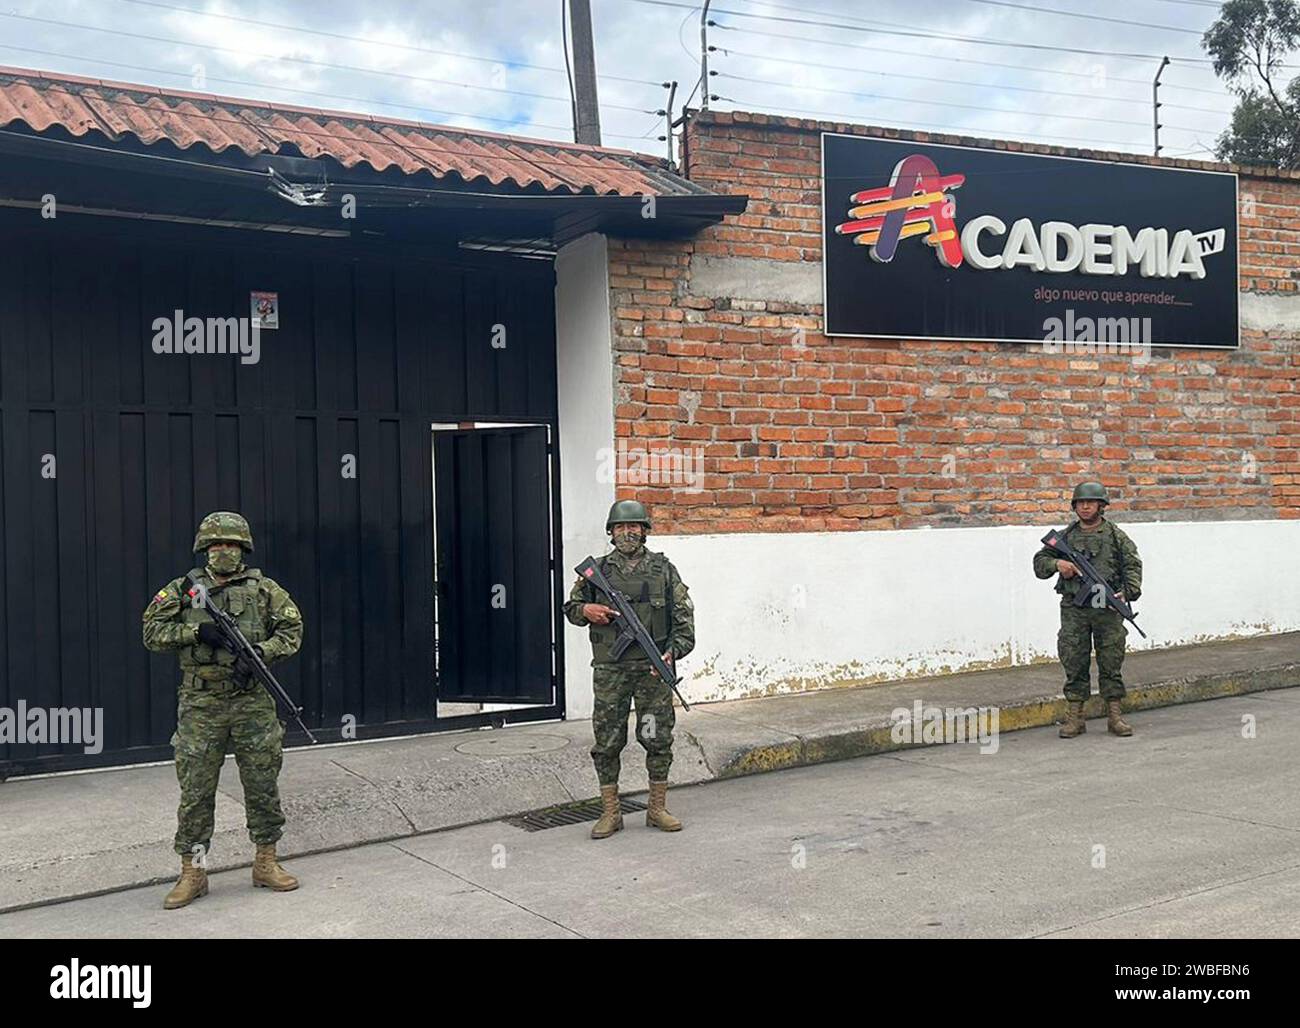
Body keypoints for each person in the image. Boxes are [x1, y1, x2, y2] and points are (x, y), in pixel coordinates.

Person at [143, 511, 304, 908]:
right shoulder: (183, 589)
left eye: (231, 545)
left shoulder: (265, 590)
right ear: (204, 549)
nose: (223, 551)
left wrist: (261, 654)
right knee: (196, 791)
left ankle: (266, 862)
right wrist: (195, 631)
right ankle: (193, 872)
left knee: (262, 784)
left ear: (243, 549)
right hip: (201, 703)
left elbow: (292, 630)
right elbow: (151, 632)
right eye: (216, 545)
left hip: (252, 702)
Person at [564, 500, 695, 838]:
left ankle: (656, 808)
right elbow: (571, 608)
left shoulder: (664, 570)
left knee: (657, 738)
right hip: (611, 672)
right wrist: (588, 610)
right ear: (611, 532)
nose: (627, 532)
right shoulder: (598, 572)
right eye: (620, 527)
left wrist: (671, 654)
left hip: (652, 674)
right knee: (607, 741)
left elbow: (684, 625)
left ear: (644, 531)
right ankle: (611, 812)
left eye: (633, 526)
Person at [1033, 483, 1143, 739]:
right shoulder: (1065, 536)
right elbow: (1039, 563)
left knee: (1111, 659)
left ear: (1101, 506)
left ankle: (1114, 716)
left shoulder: (1116, 536)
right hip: (1075, 608)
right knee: (1074, 658)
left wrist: (1127, 592)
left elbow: (1132, 565)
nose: (1085, 507)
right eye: (1080, 503)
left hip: (1106, 608)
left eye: (1090, 503)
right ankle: (1075, 717)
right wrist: (1058, 563)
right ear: (1074, 506)